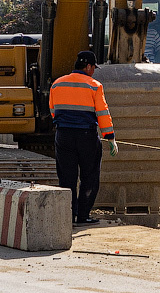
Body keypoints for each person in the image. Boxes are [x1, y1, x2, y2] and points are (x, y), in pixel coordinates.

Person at [49, 50, 117, 226]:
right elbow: (102, 113)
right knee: (90, 176)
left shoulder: (57, 84)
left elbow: (52, 110)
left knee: (66, 177)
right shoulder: (94, 85)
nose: (93, 71)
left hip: (63, 135)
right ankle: (83, 215)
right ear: (88, 67)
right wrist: (110, 137)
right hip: (86, 136)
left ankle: (68, 216)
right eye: (93, 67)